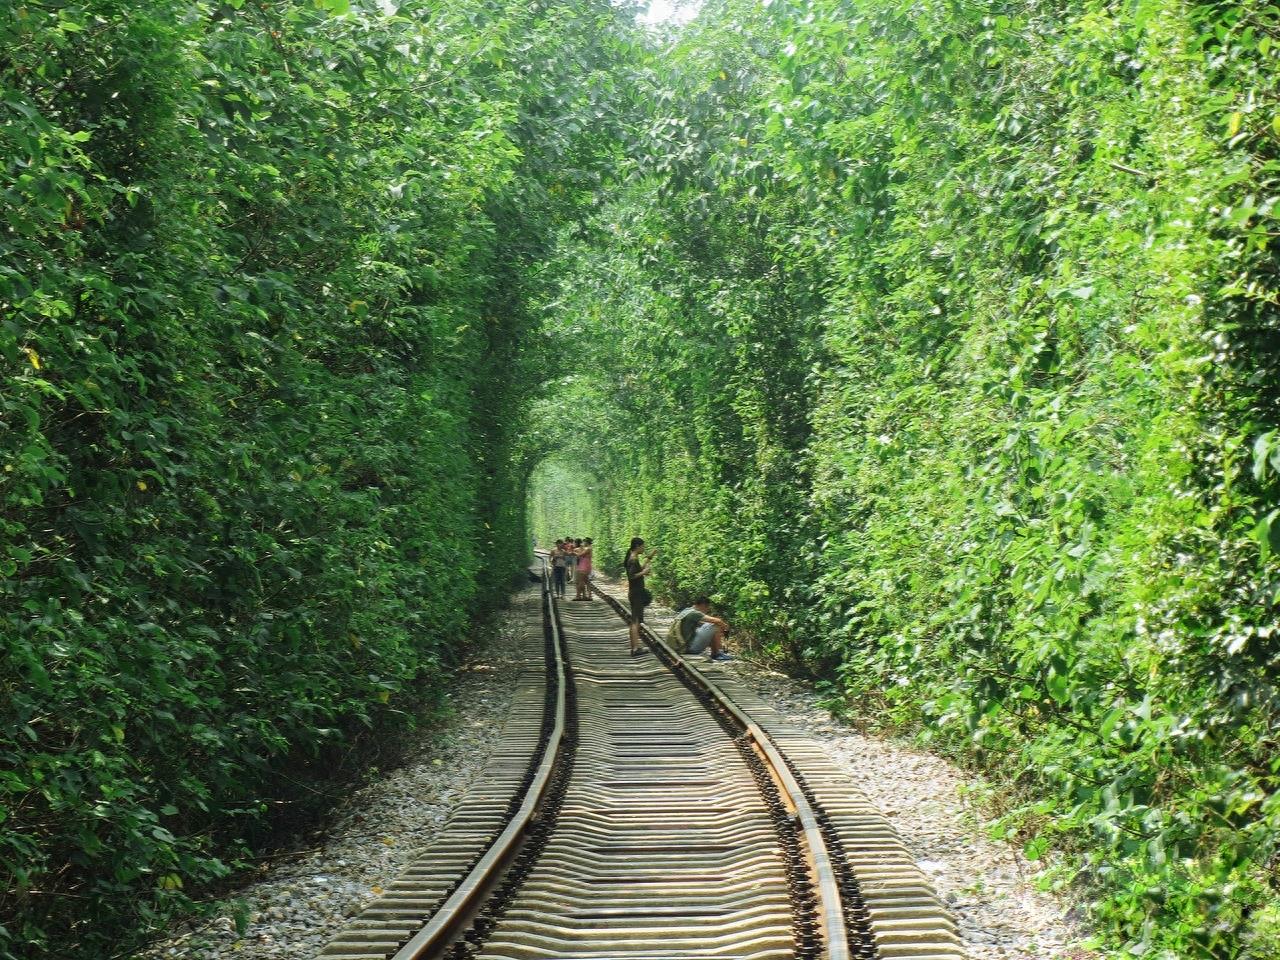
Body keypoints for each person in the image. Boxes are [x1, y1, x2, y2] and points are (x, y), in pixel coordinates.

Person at [669, 596, 732, 661]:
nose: (707, 610)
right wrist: (726, 627)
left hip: (681, 646)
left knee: (710, 626)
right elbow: (718, 621)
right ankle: (717, 654)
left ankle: (718, 651)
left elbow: (702, 624)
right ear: (703, 605)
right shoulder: (694, 613)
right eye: (707, 608)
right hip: (688, 648)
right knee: (715, 625)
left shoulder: (687, 610)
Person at [624, 537, 657, 656]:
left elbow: (639, 569)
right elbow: (632, 576)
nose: (644, 548)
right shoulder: (633, 559)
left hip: (636, 592)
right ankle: (635, 648)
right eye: (643, 546)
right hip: (636, 593)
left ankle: (635, 647)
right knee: (635, 621)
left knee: (636, 620)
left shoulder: (633, 558)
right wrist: (644, 573)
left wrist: (649, 558)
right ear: (637, 546)